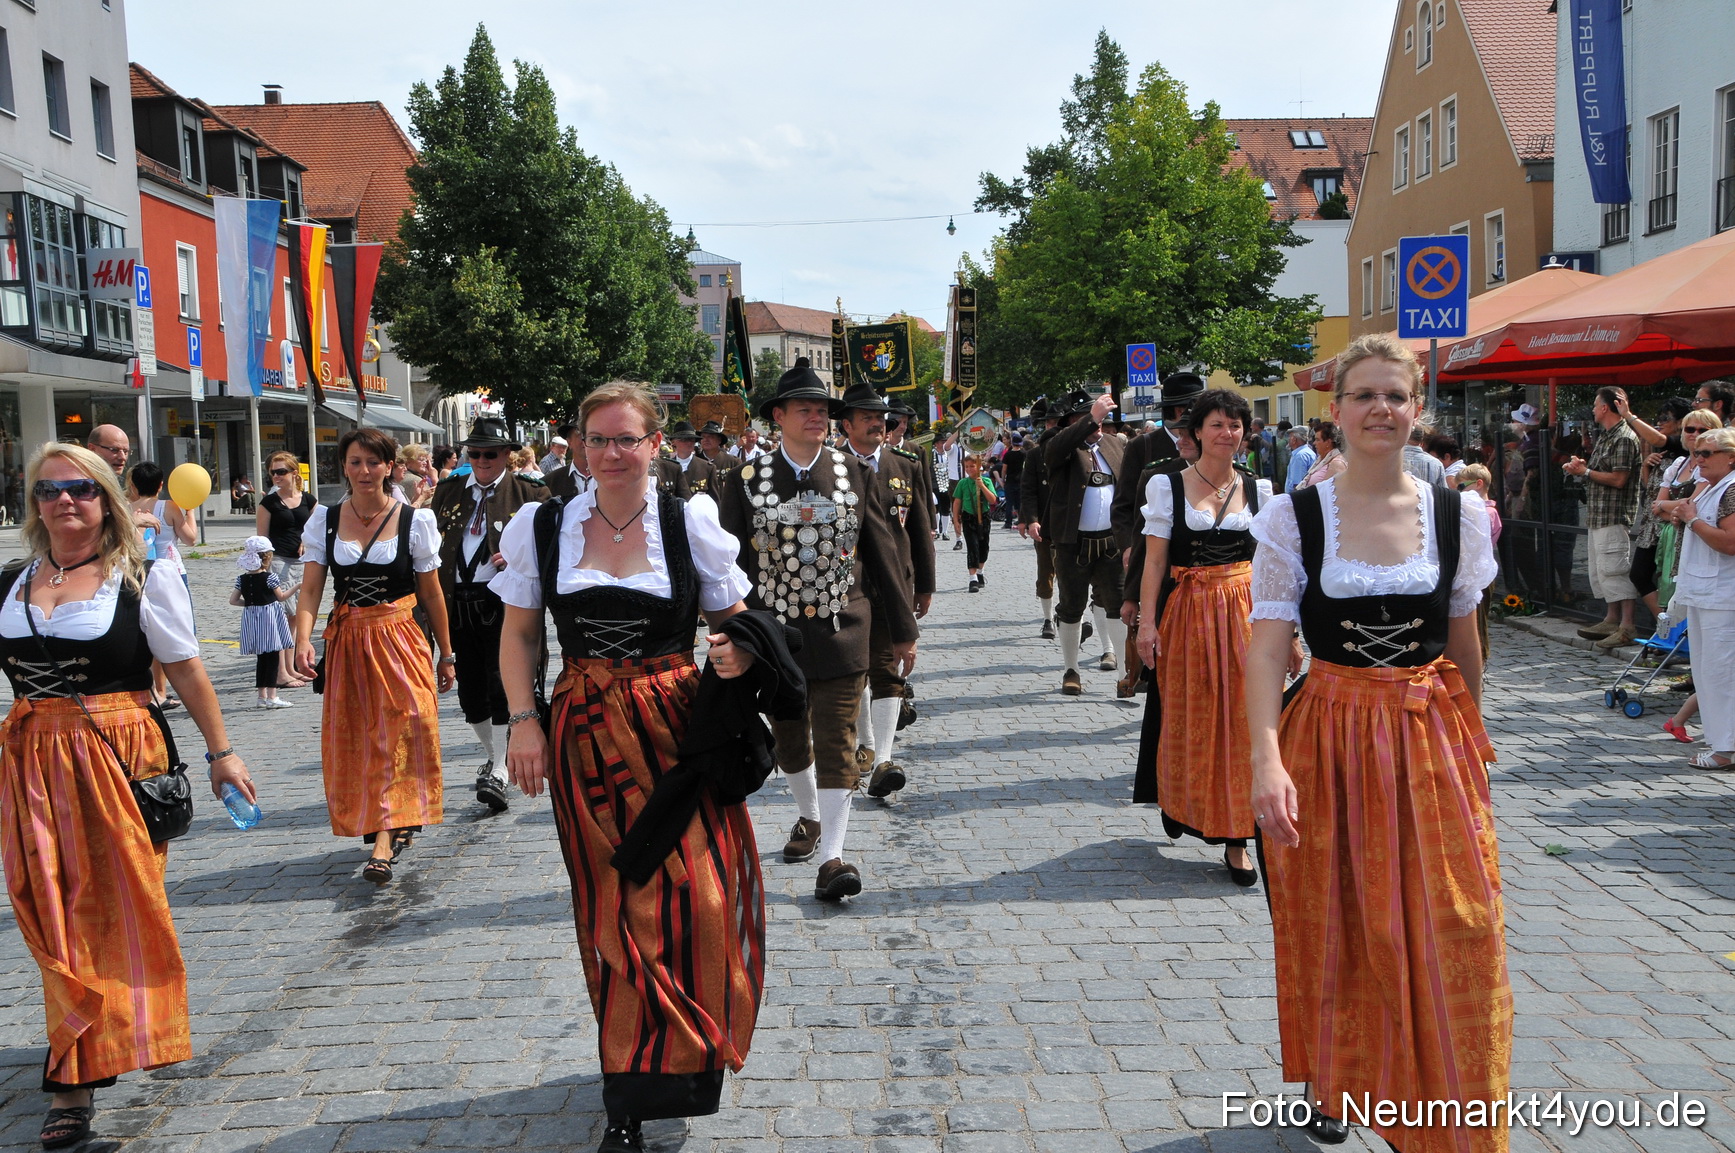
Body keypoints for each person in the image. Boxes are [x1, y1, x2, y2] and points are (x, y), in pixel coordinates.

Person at [495, 381, 781, 1153]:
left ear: (656, 444)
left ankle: (686, 1053)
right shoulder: (544, 523)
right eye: (597, 439)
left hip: (674, 726)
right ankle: (630, 1090)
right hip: (581, 728)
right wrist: (524, 721)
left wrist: (733, 648)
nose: (611, 454)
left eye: (627, 439)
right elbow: (520, 635)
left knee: (699, 898)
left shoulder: (690, 523)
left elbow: (737, 621)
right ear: (578, 444)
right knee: (611, 903)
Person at [1246, 333, 1505, 1153]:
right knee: (1340, 917)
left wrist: (1473, 737)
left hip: (1429, 734)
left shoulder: (1456, 514)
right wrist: (1264, 760)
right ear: (1336, 412)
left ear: (1416, 408)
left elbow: (1464, 642)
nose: (1380, 410)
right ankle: (1341, 1076)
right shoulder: (1294, 518)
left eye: (1395, 396)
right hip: (1328, 732)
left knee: (1457, 923)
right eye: (1364, 395)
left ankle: (1446, 1108)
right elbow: (1263, 651)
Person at [0, 443, 254, 1150]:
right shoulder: (11, 582)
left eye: (80, 488)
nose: (64, 501)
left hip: (117, 757)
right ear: (34, 502)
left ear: (104, 496)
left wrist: (222, 753)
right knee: (49, 913)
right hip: (31, 761)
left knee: (104, 911)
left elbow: (187, 669)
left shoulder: (139, 578)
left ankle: (72, 1081)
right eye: (49, 490)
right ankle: (79, 1058)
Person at [717, 358, 918, 898]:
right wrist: (730, 632)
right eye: (805, 408)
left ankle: (833, 856)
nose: (817, 416)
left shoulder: (855, 472)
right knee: (790, 738)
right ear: (778, 415)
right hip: (775, 633)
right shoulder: (743, 480)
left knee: (837, 737)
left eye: (823, 409)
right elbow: (727, 565)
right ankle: (809, 814)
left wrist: (904, 630)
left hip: (843, 627)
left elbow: (882, 550)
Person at [292, 427, 456, 884]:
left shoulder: (414, 521)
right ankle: (389, 823)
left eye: (373, 462)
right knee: (365, 737)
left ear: (390, 467)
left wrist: (447, 653)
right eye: (355, 462)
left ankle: (385, 840)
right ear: (343, 466)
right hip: (348, 643)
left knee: (407, 727)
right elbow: (310, 589)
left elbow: (432, 593)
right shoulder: (324, 520)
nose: (364, 471)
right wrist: (304, 640)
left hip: (400, 637)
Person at [1134, 389, 1272, 885]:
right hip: (1189, 609)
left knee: (1243, 720)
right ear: (1195, 431)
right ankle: (1181, 801)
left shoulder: (1260, 489)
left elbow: (1271, 567)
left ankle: (1239, 838)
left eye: (1235, 425)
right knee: (1188, 711)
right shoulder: (1167, 486)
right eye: (1216, 424)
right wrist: (1146, 624)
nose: (1227, 433)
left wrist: (1289, 633)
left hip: (1245, 611)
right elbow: (1153, 561)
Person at [430, 418, 547, 813]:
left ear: (507, 456)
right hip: (455, 601)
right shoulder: (448, 492)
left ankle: (498, 769)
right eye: (474, 453)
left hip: (503, 601)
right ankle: (493, 754)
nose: (481, 460)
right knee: (470, 693)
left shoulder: (530, 493)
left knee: (502, 685)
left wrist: (517, 557)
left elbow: (550, 549)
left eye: (490, 453)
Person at [836, 382, 933, 801]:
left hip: (895, 584)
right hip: (846, 585)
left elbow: (920, 529)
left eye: (881, 418)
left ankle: (883, 760)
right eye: (868, 418)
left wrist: (925, 584)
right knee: (854, 670)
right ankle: (866, 744)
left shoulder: (905, 465)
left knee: (888, 667)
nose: (878, 424)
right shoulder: (831, 466)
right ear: (847, 423)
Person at [1656, 426, 1735, 770]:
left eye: (1707, 454)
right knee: (1707, 673)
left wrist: (1691, 520)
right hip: (1705, 592)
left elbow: (1730, 543)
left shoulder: (1731, 490)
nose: (1698, 459)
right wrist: (1681, 517)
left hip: (1723, 596)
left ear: (1730, 457)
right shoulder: (1711, 486)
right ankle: (1721, 740)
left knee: (1721, 673)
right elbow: (1685, 513)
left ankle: (1726, 748)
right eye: (1696, 453)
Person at [1044, 388, 1129, 694]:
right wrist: (1089, 420)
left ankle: (1124, 671)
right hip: (1073, 544)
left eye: (1101, 420)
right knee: (1071, 607)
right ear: (1073, 422)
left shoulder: (1114, 445)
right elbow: (1052, 453)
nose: (1097, 426)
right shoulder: (1061, 446)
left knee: (1118, 607)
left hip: (1111, 542)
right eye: (1088, 420)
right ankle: (1071, 669)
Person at [1566, 387, 1643, 649]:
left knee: (1615, 569)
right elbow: (1599, 471)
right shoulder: (1607, 436)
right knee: (1601, 571)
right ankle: (1611, 619)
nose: (1592, 408)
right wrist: (1581, 468)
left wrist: (1586, 472)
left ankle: (1627, 625)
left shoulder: (1623, 437)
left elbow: (1619, 479)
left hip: (1613, 514)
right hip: (1599, 515)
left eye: (1595, 404)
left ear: (1605, 408)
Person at [125, 462, 196, 711]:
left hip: (137, 573)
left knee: (143, 630)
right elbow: (190, 539)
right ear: (161, 485)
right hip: (170, 573)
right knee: (172, 630)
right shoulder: (169, 507)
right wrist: (190, 512)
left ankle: (151, 689)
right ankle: (164, 689)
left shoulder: (126, 509)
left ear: (132, 484)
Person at [255, 452, 314, 689]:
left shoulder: (308, 500)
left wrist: (306, 541)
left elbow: (317, 528)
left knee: (296, 617)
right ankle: (280, 672)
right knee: (281, 617)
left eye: (281, 472)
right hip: (278, 562)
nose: (276, 476)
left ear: (294, 473)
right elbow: (261, 539)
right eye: (272, 472)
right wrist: (263, 570)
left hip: (302, 563)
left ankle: (290, 668)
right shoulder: (269, 503)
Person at [230, 535, 298, 709]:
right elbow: (281, 596)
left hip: (253, 619)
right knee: (273, 656)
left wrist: (252, 603)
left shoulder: (242, 579)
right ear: (267, 557)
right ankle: (272, 696)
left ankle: (261, 696)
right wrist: (297, 586)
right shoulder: (270, 578)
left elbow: (234, 601)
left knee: (262, 659)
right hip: (270, 619)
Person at [1456, 464, 1502, 662]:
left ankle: (1480, 658)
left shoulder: (1487, 513)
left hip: (1479, 573)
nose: (1458, 492)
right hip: (1471, 571)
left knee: (1478, 621)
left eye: (1461, 487)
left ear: (1478, 484)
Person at [953, 453, 999, 592]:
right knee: (972, 546)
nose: (969, 469)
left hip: (983, 517)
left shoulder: (986, 481)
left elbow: (993, 500)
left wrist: (982, 486)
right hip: (968, 517)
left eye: (972, 466)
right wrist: (956, 520)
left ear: (979, 467)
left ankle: (980, 572)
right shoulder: (963, 483)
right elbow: (957, 502)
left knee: (983, 546)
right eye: (966, 466)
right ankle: (972, 579)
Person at [666, 421, 719, 496]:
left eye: (692, 439)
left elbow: (714, 501)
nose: (689, 443)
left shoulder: (707, 468)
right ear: (673, 442)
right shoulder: (665, 467)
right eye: (684, 440)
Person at [1294, 421, 1346, 489]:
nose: (1314, 443)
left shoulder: (1337, 463)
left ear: (1328, 442)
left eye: (1317, 440)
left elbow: (1333, 493)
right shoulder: (1320, 461)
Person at [1283, 425, 1315, 493]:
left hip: (1297, 499)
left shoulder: (1299, 456)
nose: (1288, 439)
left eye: (1290, 436)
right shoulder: (1308, 452)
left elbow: (1297, 485)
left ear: (1294, 440)